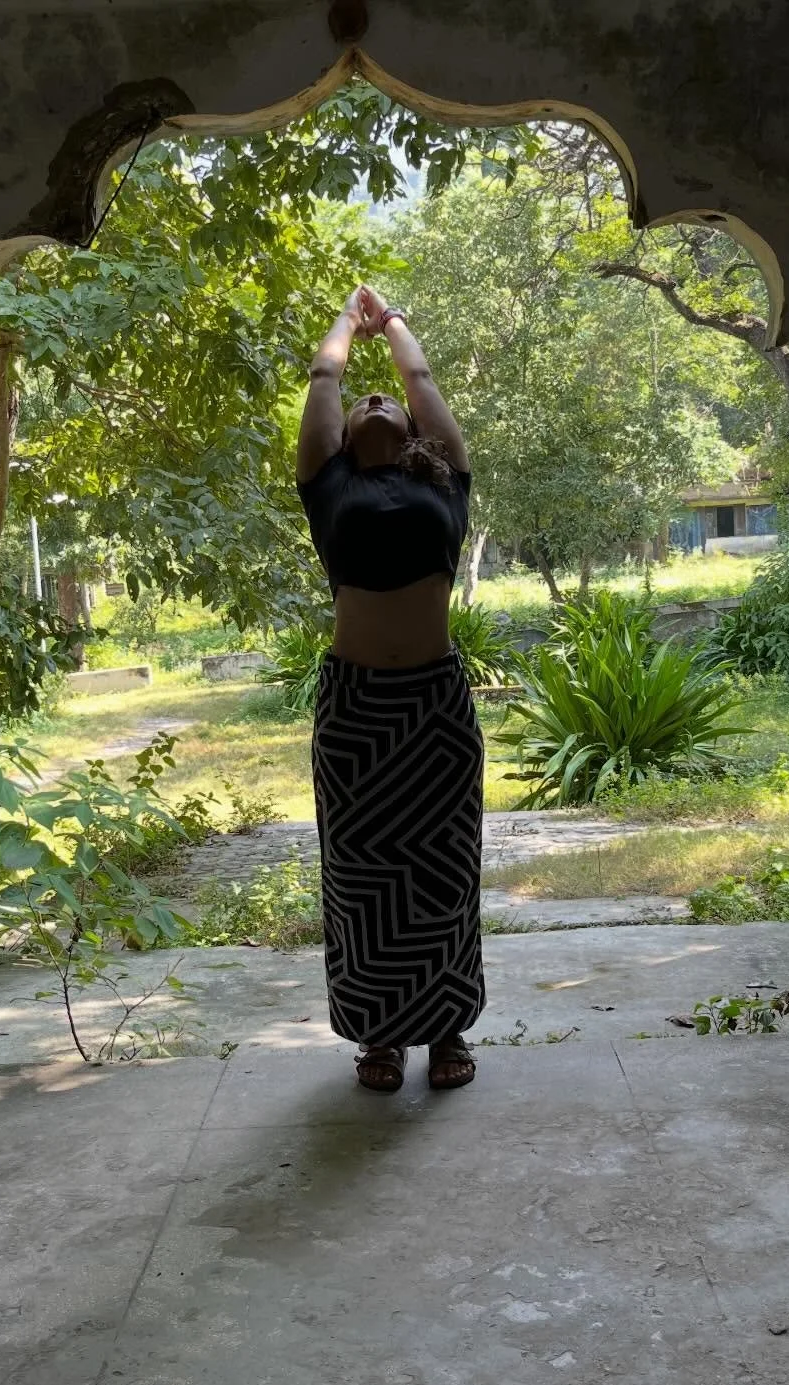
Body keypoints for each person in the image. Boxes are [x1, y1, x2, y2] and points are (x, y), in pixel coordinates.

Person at [295, 284, 484, 1092]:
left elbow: (423, 384)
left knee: (444, 869)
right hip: (356, 715)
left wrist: (394, 319)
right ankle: (380, 1037)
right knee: (362, 877)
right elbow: (325, 387)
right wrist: (344, 322)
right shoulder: (328, 488)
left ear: (415, 436)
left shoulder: (443, 483)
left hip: (436, 709)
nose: (378, 397)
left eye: (392, 401)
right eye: (363, 399)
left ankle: (444, 1033)